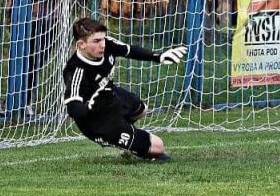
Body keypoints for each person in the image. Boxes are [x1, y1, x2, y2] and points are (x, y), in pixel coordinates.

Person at [62, 17, 187, 161]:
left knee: (141, 109)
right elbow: (73, 108)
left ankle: (125, 135)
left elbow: (130, 51)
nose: (102, 44)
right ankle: (117, 136)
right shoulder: (76, 71)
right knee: (158, 147)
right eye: (96, 41)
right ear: (81, 44)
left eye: (103, 39)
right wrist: (91, 106)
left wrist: (158, 57)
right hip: (97, 121)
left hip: (109, 96)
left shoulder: (107, 44)